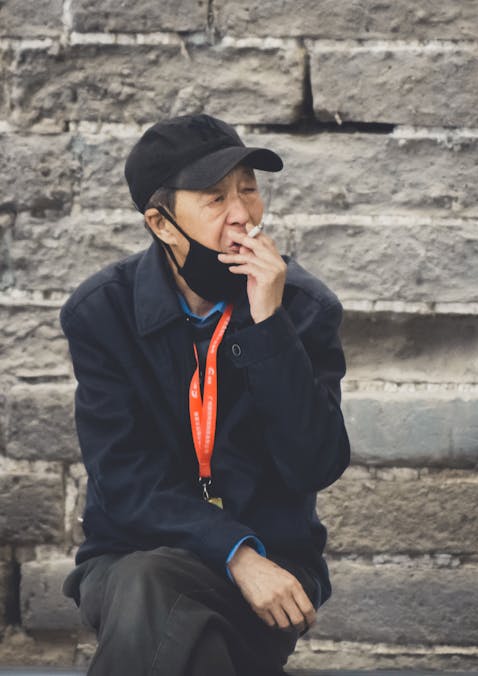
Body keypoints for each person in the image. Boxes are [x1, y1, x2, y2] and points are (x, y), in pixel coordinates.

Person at [60, 113, 350, 676]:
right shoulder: (102, 314)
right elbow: (124, 480)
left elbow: (315, 463)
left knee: (186, 646)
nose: (243, 214)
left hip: (277, 569)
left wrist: (268, 328)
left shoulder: (304, 309)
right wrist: (234, 552)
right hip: (129, 560)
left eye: (248, 189)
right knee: (152, 585)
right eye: (215, 199)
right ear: (162, 223)